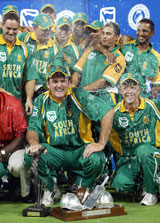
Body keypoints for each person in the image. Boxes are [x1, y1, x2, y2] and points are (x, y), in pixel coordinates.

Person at [24, 67, 115, 206]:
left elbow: (108, 112)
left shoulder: (79, 95)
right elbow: (32, 129)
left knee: (97, 158)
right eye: (55, 81)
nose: (59, 85)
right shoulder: (41, 100)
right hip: (55, 152)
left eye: (63, 81)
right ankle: (50, 189)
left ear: (68, 82)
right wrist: (34, 143)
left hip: (80, 151)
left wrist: (101, 143)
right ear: (48, 84)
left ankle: (85, 191)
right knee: (32, 155)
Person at [109, 72, 160, 206]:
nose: (129, 91)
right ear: (120, 90)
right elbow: (108, 138)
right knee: (119, 184)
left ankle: (151, 192)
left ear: (139, 89)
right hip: (131, 160)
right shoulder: (114, 114)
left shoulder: (152, 106)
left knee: (143, 150)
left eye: (132, 87)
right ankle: (144, 186)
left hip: (154, 155)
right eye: (125, 87)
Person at [72, 21, 126, 106]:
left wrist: (81, 91)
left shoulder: (119, 58)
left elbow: (104, 82)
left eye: (108, 34)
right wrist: (74, 89)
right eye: (103, 33)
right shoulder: (91, 50)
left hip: (104, 101)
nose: (104, 37)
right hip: (84, 98)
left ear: (116, 37)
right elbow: (77, 72)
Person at [0, 11, 38, 115]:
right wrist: (5, 94)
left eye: (14, 29)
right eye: (8, 28)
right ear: (2, 25)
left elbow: (30, 77)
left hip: (15, 105)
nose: (11, 32)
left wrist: (29, 99)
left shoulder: (24, 49)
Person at [18, 13, 63, 98]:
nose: (48, 31)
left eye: (50, 28)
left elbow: (55, 72)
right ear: (34, 28)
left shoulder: (55, 48)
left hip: (42, 92)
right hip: (20, 89)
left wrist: (43, 88)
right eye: (44, 29)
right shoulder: (23, 38)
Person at [0, 89, 31, 202]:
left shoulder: (12, 103)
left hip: (14, 147)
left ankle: (25, 194)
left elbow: (21, 135)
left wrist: (3, 152)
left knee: (18, 166)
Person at [121, 18, 160, 98]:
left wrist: (152, 102)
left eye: (145, 31)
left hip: (141, 99)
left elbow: (156, 84)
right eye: (138, 30)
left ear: (152, 33)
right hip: (122, 97)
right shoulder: (125, 47)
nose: (140, 34)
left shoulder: (156, 57)